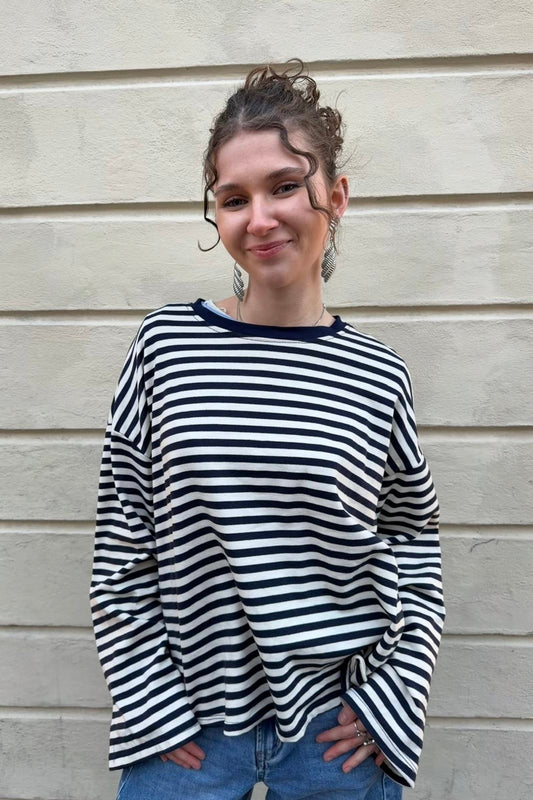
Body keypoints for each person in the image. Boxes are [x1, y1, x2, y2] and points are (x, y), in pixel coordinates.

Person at [90, 58, 446, 800]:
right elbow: (123, 546)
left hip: (335, 736)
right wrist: (151, 704)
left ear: (335, 197)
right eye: (233, 198)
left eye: (285, 186)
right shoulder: (165, 349)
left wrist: (390, 702)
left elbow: (413, 542)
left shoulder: (378, 375)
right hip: (186, 732)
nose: (259, 218)